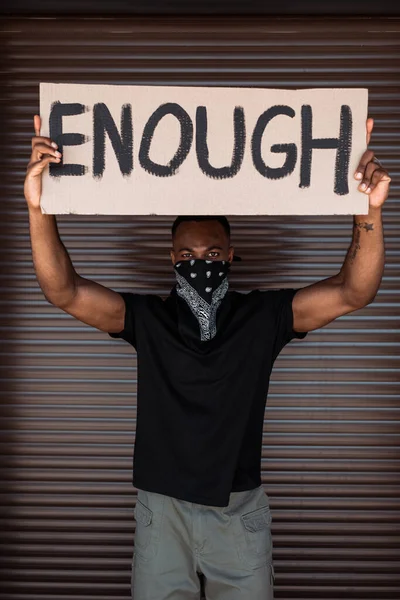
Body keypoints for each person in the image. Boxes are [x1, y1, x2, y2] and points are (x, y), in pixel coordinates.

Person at [24, 114, 390, 600]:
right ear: (172, 260)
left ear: (233, 254)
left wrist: (369, 209)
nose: (201, 263)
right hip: (162, 514)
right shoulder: (148, 319)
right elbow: (63, 292)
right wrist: (37, 207)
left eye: (214, 254)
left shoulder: (264, 317)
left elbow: (353, 291)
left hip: (238, 514)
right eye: (188, 254)